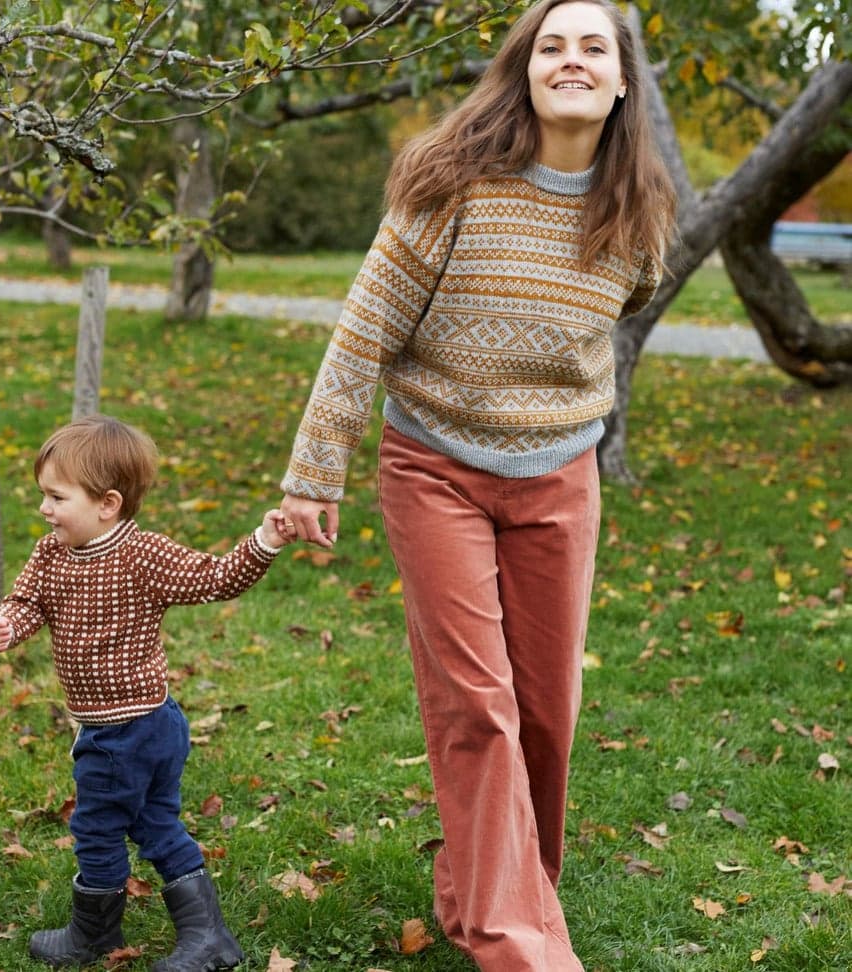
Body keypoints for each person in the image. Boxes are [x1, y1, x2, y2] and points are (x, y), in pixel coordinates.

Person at [279, 1, 676, 969]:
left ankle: (488, 897)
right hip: (435, 470)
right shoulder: (450, 182)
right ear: (523, 70)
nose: (571, 60)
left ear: (623, 83)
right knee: (478, 705)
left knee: (546, 714)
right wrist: (315, 470)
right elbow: (364, 330)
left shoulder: (637, 213)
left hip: (561, 477)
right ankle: (517, 943)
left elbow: (624, 304)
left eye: (593, 47)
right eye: (552, 45)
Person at [0, 414, 293, 971]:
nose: (44, 509)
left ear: (108, 503)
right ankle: (209, 937)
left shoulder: (143, 555)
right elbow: (29, 600)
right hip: (123, 724)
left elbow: (214, 577)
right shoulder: (52, 553)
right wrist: (10, 623)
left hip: (131, 729)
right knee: (154, 823)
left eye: (57, 497)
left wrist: (264, 541)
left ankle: (93, 935)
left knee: (96, 828)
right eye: (43, 495)